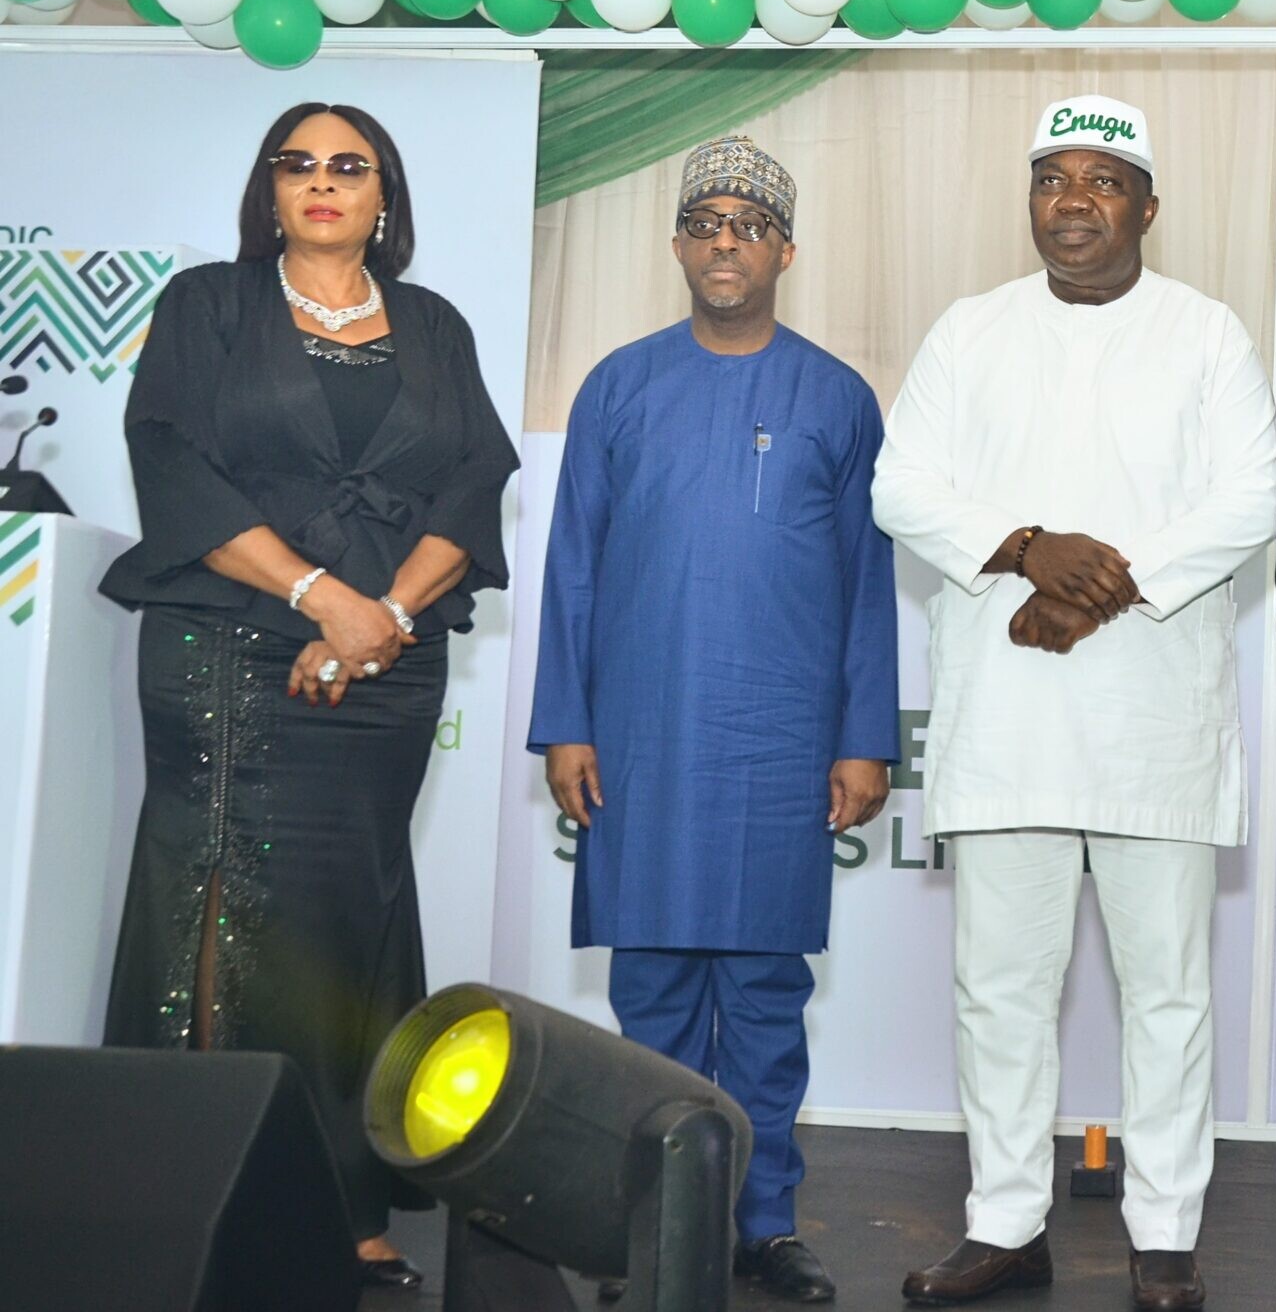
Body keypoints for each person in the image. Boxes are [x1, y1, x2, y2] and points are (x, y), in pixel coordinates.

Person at [99, 102, 517, 1289]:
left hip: (388, 665)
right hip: (229, 646)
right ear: (268, 189)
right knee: (219, 913)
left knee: (355, 914)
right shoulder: (209, 306)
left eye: (351, 166)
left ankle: (346, 1201)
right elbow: (171, 458)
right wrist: (322, 597)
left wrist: (379, 616)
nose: (323, 182)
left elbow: (476, 482)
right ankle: (196, 1192)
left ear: (385, 196)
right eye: (299, 165)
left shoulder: (434, 325)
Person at [876, 95, 1276, 1312]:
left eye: (1105, 180)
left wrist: (1102, 590)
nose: (1075, 200)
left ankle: (1164, 1233)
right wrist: (1025, 544)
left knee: (1168, 990)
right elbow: (905, 487)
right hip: (1007, 711)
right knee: (1000, 987)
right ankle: (1005, 1222)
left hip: (1153, 712)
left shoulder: (1207, 334)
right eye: (1054, 177)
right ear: (1031, 201)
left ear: (1147, 207)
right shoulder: (969, 329)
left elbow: (1248, 499)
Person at [528, 134, 898, 1303]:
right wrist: (567, 723)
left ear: (786, 248)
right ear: (679, 245)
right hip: (640, 736)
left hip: (778, 741)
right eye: (705, 222)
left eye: (748, 223)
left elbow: (864, 586)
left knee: (764, 1000)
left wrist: (862, 736)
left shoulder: (837, 397)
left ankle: (763, 1221)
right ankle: (651, 1222)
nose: (724, 240)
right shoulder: (618, 385)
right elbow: (571, 567)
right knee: (650, 1001)